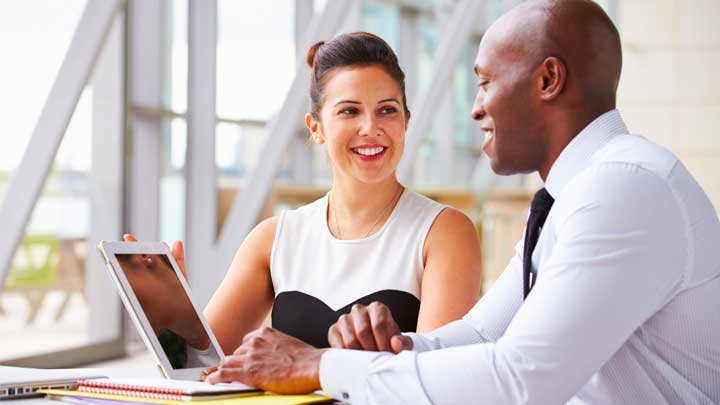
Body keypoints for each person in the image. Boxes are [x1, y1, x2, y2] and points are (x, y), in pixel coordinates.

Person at [203, 1, 720, 403]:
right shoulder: (575, 196)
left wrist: (317, 366)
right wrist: (394, 350)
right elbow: (479, 334)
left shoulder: (622, 188)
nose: (475, 109)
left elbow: (520, 381)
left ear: (548, 80)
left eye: (486, 82)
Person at [127, 32, 483, 354]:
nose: (371, 128)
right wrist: (175, 314)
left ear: (406, 120)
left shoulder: (444, 233)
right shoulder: (275, 238)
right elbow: (205, 366)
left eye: (387, 110)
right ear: (316, 128)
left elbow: (438, 378)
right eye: (349, 111)